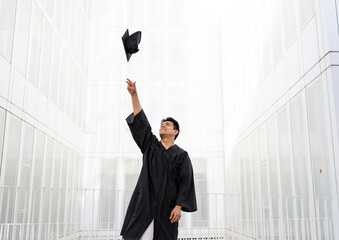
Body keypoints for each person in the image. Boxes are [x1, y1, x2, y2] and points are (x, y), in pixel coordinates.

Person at [120, 78, 197, 240]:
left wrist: (178, 206)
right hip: (145, 205)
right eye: (162, 124)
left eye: (167, 124)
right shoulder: (151, 146)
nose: (163, 125)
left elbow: (185, 182)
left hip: (167, 210)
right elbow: (142, 123)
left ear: (175, 131)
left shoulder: (182, 155)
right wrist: (134, 95)